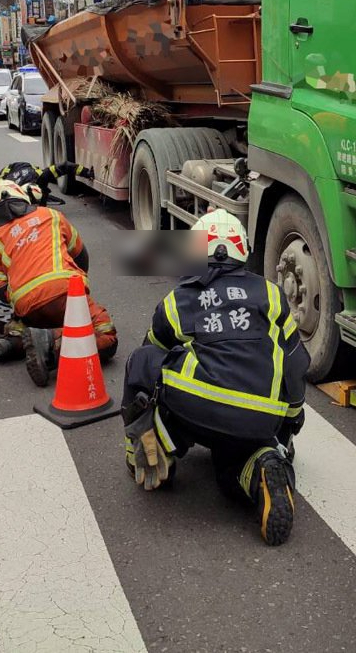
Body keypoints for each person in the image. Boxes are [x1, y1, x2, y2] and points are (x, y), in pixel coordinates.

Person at [121, 209, 308, 547]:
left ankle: (153, 449)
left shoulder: (179, 300)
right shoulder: (271, 295)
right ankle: (262, 466)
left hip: (199, 411)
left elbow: (152, 359)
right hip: (260, 418)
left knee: (143, 360)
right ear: (243, 252)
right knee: (229, 470)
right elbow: (296, 362)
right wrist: (290, 423)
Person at [0, 179, 117, 385]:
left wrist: (20, 300)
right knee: (106, 333)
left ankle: (15, 343)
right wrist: (80, 291)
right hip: (66, 293)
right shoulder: (50, 215)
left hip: (27, 307)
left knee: (33, 322)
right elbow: (80, 254)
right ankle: (51, 342)